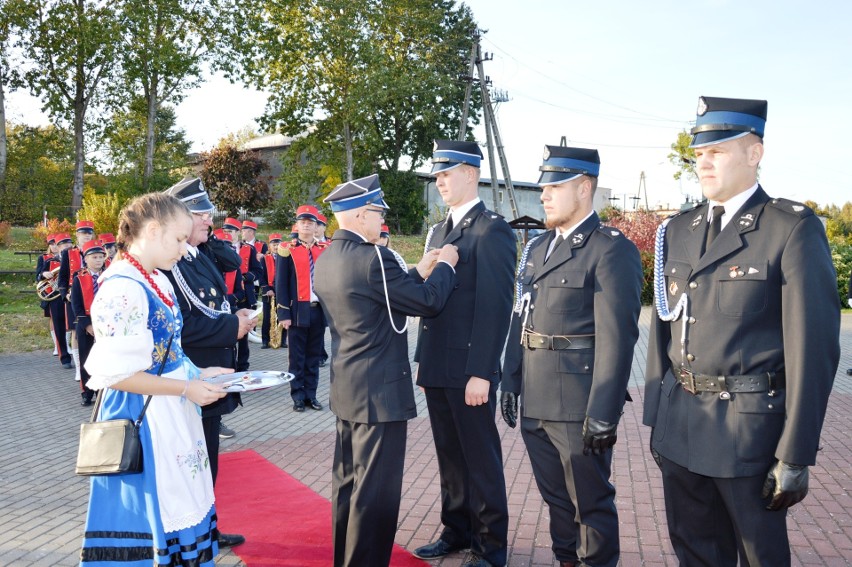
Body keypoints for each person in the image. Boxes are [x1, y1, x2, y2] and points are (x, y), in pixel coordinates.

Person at [643, 96, 841, 567]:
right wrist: (657, 420)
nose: (704, 163)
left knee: (759, 556)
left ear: (755, 154)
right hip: (682, 427)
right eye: (699, 154)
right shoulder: (680, 229)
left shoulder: (789, 228)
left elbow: (813, 351)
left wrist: (795, 455)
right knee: (694, 552)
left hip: (746, 433)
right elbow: (662, 329)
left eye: (718, 151)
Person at [501, 146, 643, 567]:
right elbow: (520, 313)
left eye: (554, 186)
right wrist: (510, 379)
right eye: (543, 185)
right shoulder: (540, 246)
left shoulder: (610, 249)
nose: (543, 194)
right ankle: (566, 560)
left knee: (590, 502)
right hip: (537, 395)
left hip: (579, 402)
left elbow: (619, 339)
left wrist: (604, 411)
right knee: (557, 501)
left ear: (584, 188)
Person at [314, 173, 459, 567]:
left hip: (348, 388)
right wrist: (445, 266)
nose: (381, 221)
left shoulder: (327, 258)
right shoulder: (373, 258)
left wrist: (417, 270)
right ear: (361, 215)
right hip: (379, 394)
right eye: (378, 213)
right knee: (375, 493)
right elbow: (427, 303)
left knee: (348, 484)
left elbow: (376, 301)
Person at [79, 192, 230, 566]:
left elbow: (167, 352)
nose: (183, 249)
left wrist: (199, 373)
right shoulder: (122, 288)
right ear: (152, 229)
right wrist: (185, 387)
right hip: (143, 418)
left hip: (168, 410)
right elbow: (117, 376)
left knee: (183, 501)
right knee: (156, 519)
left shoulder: (152, 279)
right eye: (178, 239)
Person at [413, 140, 516, 567]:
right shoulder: (439, 231)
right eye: (436, 175)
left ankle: (490, 547)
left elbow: (496, 306)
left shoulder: (492, 229)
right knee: (450, 456)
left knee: (480, 459)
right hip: (437, 361)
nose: (439, 182)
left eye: (446, 173)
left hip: (468, 368)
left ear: (471, 173)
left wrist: (482, 373)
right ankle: (456, 530)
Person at [162, 177, 256, 548]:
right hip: (192, 376)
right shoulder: (173, 263)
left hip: (211, 375)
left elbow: (220, 290)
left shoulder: (197, 255)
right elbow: (181, 327)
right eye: (201, 214)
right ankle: (191, 534)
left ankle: (207, 527)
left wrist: (236, 315)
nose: (208, 220)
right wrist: (233, 326)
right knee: (192, 464)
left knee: (207, 463)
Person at [276, 205, 328, 412]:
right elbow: (281, 283)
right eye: (303, 222)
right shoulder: (287, 248)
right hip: (297, 309)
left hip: (318, 309)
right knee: (297, 357)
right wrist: (283, 313)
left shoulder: (325, 249)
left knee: (314, 356)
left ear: (317, 227)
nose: (306, 226)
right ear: (297, 225)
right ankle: (297, 396)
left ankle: (311, 396)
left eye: (310, 223)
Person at [70, 240, 109, 406]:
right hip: (86, 323)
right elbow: (76, 305)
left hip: (106, 322)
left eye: (101, 256)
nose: (98, 260)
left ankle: (102, 390)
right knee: (86, 357)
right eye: (94, 257)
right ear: (86, 258)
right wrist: (87, 325)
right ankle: (86, 391)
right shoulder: (79, 278)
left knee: (104, 357)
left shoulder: (109, 276)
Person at [59, 220, 96, 377]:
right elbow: (63, 277)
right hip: (75, 296)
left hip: (94, 295)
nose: (86, 236)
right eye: (83, 233)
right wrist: (65, 293)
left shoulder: (97, 250)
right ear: (77, 235)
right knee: (76, 331)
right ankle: (79, 369)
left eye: (89, 233)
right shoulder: (68, 253)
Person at [36, 233, 65, 359]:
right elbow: (38, 276)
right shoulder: (45, 258)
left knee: (67, 321)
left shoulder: (68, 257)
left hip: (64, 292)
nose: (53, 246)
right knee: (54, 319)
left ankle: (66, 346)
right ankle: (57, 345)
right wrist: (43, 274)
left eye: (55, 243)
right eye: (51, 244)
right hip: (51, 293)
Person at [260, 233, 282, 349]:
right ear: (269, 245)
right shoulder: (264, 259)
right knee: (267, 317)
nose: (276, 246)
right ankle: (265, 340)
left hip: (281, 291)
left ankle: (282, 340)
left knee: (282, 316)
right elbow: (261, 276)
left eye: (278, 243)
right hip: (268, 292)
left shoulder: (285, 257)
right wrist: (267, 289)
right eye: (274, 243)